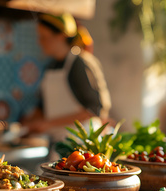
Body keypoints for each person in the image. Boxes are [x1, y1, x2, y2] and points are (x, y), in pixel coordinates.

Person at [22, 13, 111, 141]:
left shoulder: (80, 63)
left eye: (44, 37)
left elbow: (94, 109)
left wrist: (48, 123)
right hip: (60, 140)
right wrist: (28, 123)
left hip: (83, 141)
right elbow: (45, 106)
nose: (39, 42)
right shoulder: (51, 66)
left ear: (60, 36)